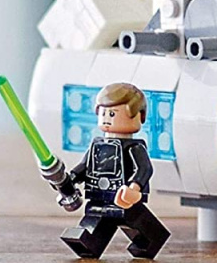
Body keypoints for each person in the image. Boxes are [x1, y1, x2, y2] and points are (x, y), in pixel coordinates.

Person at [60, 82, 170, 259]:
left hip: (125, 199)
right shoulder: (97, 145)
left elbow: (144, 168)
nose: (106, 118)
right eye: (103, 113)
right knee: (95, 218)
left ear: (139, 116)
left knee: (134, 218)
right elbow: (84, 166)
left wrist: (134, 188)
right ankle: (87, 244)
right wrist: (70, 179)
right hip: (98, 197)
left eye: (112, 114)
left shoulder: (134, 147)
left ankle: (150, 241)